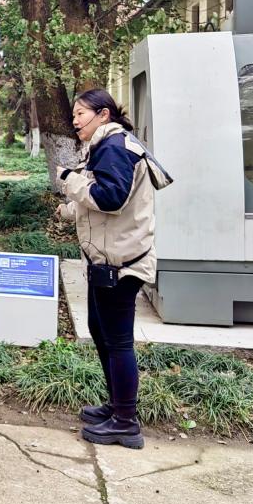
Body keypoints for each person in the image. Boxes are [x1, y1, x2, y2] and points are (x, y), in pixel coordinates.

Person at [56, 88, 172, 451]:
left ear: (103, 114)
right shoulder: (109, 145)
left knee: (118, 341)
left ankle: (126, 422)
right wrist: (71, 210)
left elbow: (111, 198)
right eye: (74, 115)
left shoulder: (114, 147)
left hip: (121, 264)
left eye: (81, 114)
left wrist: (68, 180)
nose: (75, 121)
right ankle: (116, 405)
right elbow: (106, 196)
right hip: (107, 259)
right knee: (100, 330)